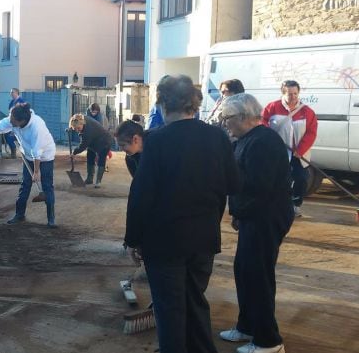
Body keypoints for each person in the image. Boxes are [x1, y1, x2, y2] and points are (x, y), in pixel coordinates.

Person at [125, 75, 239, 353]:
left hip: (164, 242)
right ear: (195, 104)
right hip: (203, 239)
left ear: (163, 104)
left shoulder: (157, 141)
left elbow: (141, 196)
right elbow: (234, 184)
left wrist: (133, 239)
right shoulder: (218, 137)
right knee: (195, 301)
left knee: (170, 309)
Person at [218, 93, 293, 353]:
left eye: (227, 118)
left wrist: (240, 211)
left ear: (242, 117)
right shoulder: (246, 139)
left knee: (258, 276)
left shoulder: (263, 142)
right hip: (253, 215)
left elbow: (258, 188)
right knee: (244, 271)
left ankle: (268, 341)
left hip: (265, 217)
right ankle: (248, 325)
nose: (225, 123)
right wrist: (238, 213)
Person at [0, 103, 57, 227]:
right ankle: (19, 215)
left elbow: (37, 152)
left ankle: (51, 219)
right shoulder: (13, 118)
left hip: (45, 155)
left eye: (13, 121)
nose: (10, 122)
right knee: (25, 184)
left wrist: (36, 172)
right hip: (28, 154)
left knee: (47, 185)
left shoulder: (37, 126)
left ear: (22, 121)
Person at [262, 80, 318, 217]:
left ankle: (295, 204)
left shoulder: (307, 111)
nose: (293, 97)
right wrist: (271, 139)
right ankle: (274, 205)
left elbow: (311, 132)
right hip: (277, 153)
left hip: (298, 154)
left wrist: (300, 150)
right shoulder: (272, 107)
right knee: (276, 180)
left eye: (295, 93)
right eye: (289, 94)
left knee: (301, 179)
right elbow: (262, 123)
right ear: (283, 93)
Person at [69, 113, 113, 187]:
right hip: (94, 141)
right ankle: (89, 179)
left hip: (105, 141)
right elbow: (75, 124)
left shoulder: (87, 132)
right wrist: (71, 128)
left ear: (82, 123)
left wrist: (74, 152)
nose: (77, 130)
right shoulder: (81, 119)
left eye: (78, 128)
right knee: (90, 156)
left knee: (101, 160)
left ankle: (98, 182)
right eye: (75, 129)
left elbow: (83, 145)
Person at [4, 88, 25, 158]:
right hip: (12, 124)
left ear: (17, 93)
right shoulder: (12, 101)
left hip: (18, 125)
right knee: (9, 137)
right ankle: (13, 152)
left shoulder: (21, 101)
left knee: (18, 138)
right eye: (10, 92)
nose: (11, 94)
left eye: (12, 92)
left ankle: (25, 154)